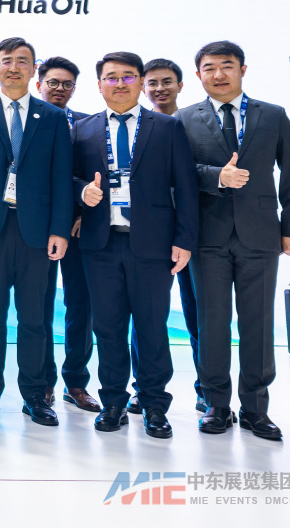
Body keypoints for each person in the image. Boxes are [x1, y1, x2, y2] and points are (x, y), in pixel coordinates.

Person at [176, 41, 290, 440]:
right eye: (209, 68)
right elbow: (176, 174)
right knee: (212, 322)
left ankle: (256, 409)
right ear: (198, 75)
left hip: (261, 234)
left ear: (242, 70)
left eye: (227, 66)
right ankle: (216, 404)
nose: (219, 74)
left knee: (258, 323)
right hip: (207, 235)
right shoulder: (184, 119)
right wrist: (217, 176)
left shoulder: (273, 115)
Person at [71, 52, 198, 439]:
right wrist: (82, 192)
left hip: (154, 245)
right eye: (111, 77)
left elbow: (186, 186)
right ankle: (113, 402)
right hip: (101, 244)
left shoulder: (167, 127)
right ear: (99, 85)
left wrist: (185, 239)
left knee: (152, 327)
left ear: (141, 82)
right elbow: (69, 178)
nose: (120, 83)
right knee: (107, 328)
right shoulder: (83, 129)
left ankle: (155, 405)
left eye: (128, 76)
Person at [0, 37, 72, 426]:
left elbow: (61, 176)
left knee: (34, 317)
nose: (14, 67)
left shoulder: (52, 117)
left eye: (23, 61)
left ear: (33, 69)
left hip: (37, 232)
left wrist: (60, 229)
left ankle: (35, 395)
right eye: (6, 61)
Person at [34, 57, 100, 413]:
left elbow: (94, 178)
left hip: (78, 231)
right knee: (39, 307)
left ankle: (76, 382)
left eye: (67, 84)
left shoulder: (88, 125)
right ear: (39, 84)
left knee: (80, 307)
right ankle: (44, 382)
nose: (59, 89)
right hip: (38, 230)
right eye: (53, 82)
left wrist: (81, 214)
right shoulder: (26, 122)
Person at [141, 57, 202, 414]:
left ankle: (206, 389)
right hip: (148, 237)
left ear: (181, 85)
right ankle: (144, 389)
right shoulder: (137, 127)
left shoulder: (195, 123)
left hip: (192, 235)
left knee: (198, 314)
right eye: (152, 83)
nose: (159, 88)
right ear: (142, 88)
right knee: (146, 318)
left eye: (167, 81)